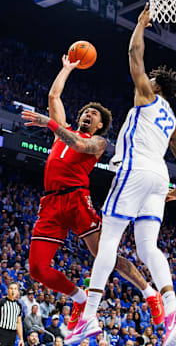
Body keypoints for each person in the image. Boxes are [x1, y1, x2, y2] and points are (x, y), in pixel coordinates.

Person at [66, 3, 176, 346]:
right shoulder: (173, 121)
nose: (145, 78)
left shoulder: (148, 94)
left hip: (135, 168)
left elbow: (134, 52)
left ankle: (88, 317)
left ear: (156, 85)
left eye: (150, 78)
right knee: (148, 248)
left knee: (108, 241)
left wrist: (140, 25)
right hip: (159, 176)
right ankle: (172, 307)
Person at [21, 55, 165, 330]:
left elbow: (78, 144)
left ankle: (150, 293)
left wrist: (50, 124)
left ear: (100, 125)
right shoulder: (62, 132)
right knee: (37, 269)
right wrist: (66, 70)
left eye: (94, 114)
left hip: (77, 199)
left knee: (106, 256)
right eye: (86, 111)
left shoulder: (97, 142)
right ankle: (79, 297)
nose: (88, 114)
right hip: (50, 202)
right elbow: (54, 96)